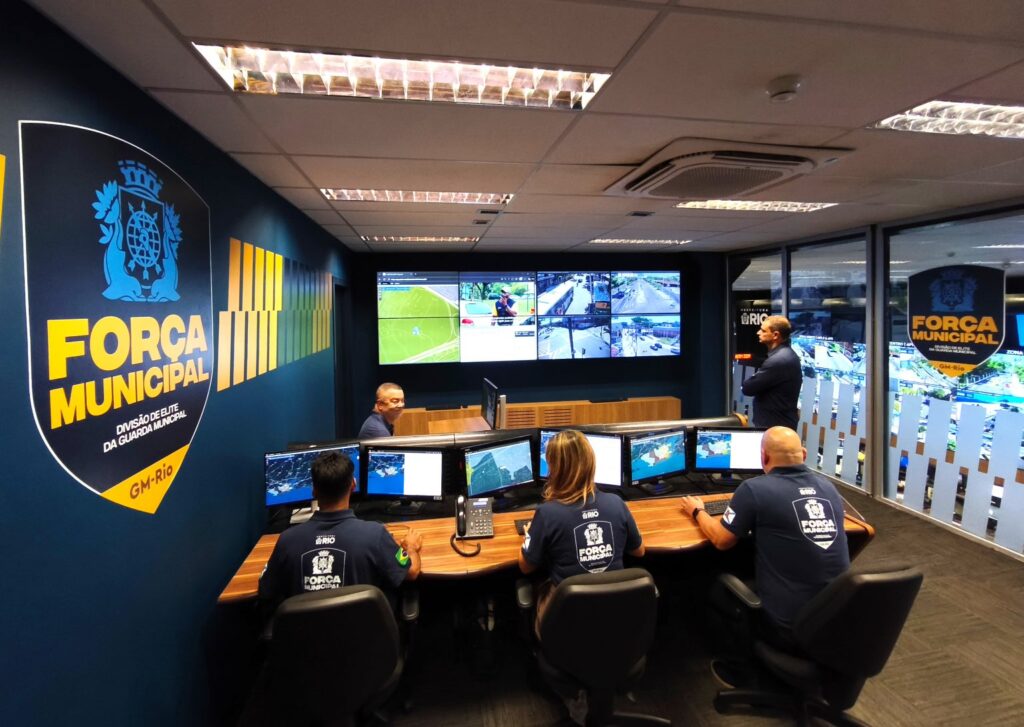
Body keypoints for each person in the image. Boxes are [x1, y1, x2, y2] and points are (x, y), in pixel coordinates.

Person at [680, 427, 849, 681]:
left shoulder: (754, 489)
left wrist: (697, 511)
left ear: (765, 458)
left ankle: (740, 669)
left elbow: (721, 540)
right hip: (835, 619)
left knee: (716, 587)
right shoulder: (829, 489)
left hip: (788, 627)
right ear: (803, 454)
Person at [258, 451, 423, 615]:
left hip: (306, 638)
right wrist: (411, 548)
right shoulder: (375, 535)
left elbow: (266, 589)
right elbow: (412, 572)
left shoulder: (287, 541)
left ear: (313, 491)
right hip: (365, 637)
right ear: (353, 485)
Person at [519, 430, 645, 629]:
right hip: (615, 619)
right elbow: (639, 551)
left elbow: (525, 567)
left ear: (554, 468)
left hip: (567, 623)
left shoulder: (546, 514)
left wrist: (529, 536)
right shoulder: (616, 503)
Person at [740, 315, 802, 430]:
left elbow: (747, 388)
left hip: (775, 429)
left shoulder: (778, 360)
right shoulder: (786, 355)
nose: (758, 333)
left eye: (763, 330)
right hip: (778, 425)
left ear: (775, 335)